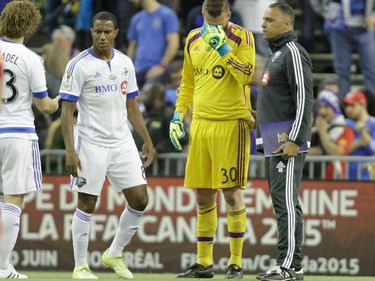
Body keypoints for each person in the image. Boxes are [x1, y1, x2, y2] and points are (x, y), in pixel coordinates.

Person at [59, 11, 155, 279]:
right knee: (87, 203)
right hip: (91, 143)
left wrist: (146, 140)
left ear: (115, 33)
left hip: (122, 142)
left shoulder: (125, 62)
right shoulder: (78, 65)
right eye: (97, 31)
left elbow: (132, 106)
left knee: (140, 199)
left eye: (107, 32)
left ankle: (114, 253)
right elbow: (67, 112)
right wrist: (71, 150)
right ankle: (80, 266)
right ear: (91, 32)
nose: (102, 36)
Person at [169, 0, 256, 278]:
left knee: (231, 194)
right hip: (201, 126)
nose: (215, 22)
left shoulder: (243, 37)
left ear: (229, 14)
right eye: (210, 17)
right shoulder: (193, 38)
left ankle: (235, 263)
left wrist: (223, 49)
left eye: (220, 18)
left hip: (232, 123)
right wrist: (178, 115)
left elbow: (246, 76)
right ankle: (204, 263)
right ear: (203, 14)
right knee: (203, 196)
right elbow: (188, 83)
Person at [0, 1, 60, 279]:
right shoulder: (30, 58)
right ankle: (3, 267)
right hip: (17, 134)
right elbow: (44, 106)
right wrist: (62, 99)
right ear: (30, 25)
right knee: (14, 199)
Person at [255, 3, 314, 281]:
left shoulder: (292, 53)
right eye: (264, 19)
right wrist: (259, 118)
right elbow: (281, 100)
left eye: (269, 20)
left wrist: (295, 139)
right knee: (282, 203)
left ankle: (289, 265)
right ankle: (290, 264)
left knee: (287, 204)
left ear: (287, 24)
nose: (263, 24)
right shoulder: (276, 54)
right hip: (274, 142)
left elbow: (304, 98)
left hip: (286, 144)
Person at [313, 0, 375, 100]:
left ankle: (372, 108)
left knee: (371, 70)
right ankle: (344, 106)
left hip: (365, 26)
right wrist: (327, 13)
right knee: (342, 71)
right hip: (339, 27)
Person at [127, 0, 180, 89]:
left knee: (147, 96)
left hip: (158, 69)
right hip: (138, 70)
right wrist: (130, 69)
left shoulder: (167, 15)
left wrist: (161, 66)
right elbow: (132, 46)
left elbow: (174, 43)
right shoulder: (136, 19)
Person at [309, 90, 354, 179]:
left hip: (335, 180)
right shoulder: (316, 127)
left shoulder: (345, 129)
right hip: (314, 178)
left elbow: (336, 152)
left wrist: (322, 132)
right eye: (319, 107)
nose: (322, 111)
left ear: (334, 108)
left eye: (326, 107)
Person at [343, 90, 375, 180]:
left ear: (362, 104)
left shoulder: (373, 123)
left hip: (367, 177)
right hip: (346, 177)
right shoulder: (345, 124)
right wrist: (361, 142)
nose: (348, 109)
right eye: (347, 105)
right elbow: (342, 150)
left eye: (352, 105)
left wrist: (362, 133)